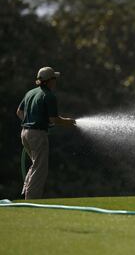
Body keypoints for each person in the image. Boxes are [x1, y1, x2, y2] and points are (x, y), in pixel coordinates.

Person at [16, 67, 76, 199]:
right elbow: (53, 119)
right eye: (54, 79)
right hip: (37, 135)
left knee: (36, 164)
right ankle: (31, 200)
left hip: (25, 133)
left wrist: (31, 121)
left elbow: (19, 112)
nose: (55, 81)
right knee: (40, 168)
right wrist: (68, 122)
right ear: (49, 81)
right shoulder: (49, 96)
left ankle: (27, 192)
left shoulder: (30, 93)